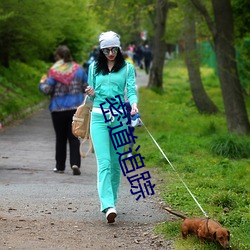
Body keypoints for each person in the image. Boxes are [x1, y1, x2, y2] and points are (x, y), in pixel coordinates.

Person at [85, 31, 138, 223]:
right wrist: (90, 92)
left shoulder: (127, 68)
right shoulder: (93, 68)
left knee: (116, 165)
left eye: (114, 49)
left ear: (119, 48)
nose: (110, 53)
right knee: (104, 163)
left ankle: (113, 201)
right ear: (101, 50)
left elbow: (131, 90)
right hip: (98, 118)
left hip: (119, 119)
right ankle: (107, 205)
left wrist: (133, 104)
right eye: (106, 50)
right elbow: (91, 97)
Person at [39, 45, 88, 175]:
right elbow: (86, 87)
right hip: (75, 109)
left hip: (58, 109)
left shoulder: (54, 71)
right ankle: (75, 163)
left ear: (58, 57)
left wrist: (42, 83)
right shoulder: (79, 70)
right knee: (74, 137)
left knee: (60, 138)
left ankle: (60, 166)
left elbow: (47, 90)